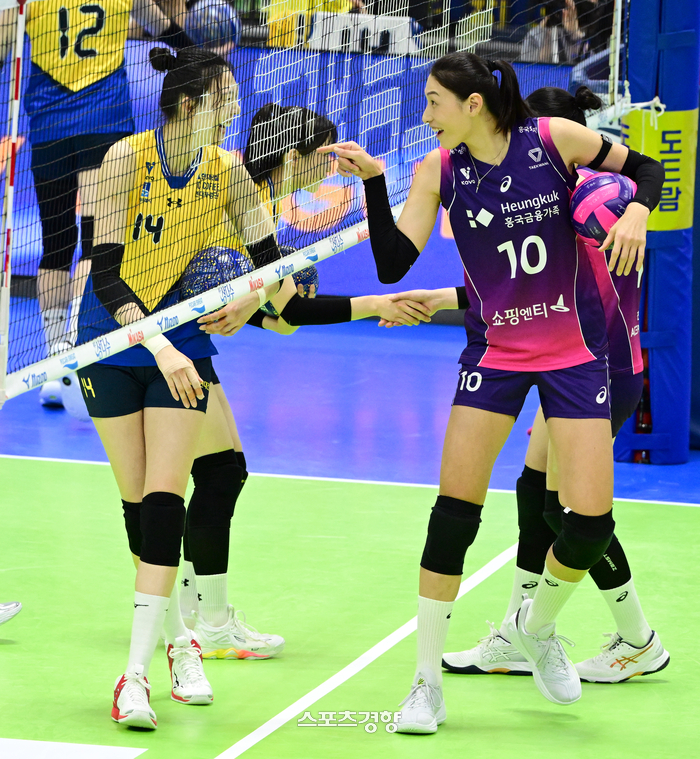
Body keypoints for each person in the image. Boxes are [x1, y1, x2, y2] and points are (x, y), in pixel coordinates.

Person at [319, 51, 664, 732]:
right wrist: (376, 182)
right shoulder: (437, 170)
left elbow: (647, 169)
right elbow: (392, 263)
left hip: (574, 353)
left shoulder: (554, 139)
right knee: (454, 514)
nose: (426, 114)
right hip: (496, 354)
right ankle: (425, 686)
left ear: (472, 104)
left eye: (433, 101)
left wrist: (636, 214)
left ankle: (535, 627)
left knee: (588, 524)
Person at [77, 45, 282, 730]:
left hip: (182, 344)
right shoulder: (124, 160)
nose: (234, 110)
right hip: (110, 340)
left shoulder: (227, 171)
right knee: (138, 508)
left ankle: (133, 677)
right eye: (226, 99)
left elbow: (273, 263)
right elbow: (106, 274)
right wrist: (157, 344)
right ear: (190, 104)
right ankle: (180, 642)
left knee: (166, 503)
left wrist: (253, 298)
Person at [0, 0, 194, 408]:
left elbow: (3, 44)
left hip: (50, 125)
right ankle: (74, 354)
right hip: (104, 122)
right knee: (94, 241)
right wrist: (200, 55)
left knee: (56, 243)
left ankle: (56, 357)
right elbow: (163, 28)